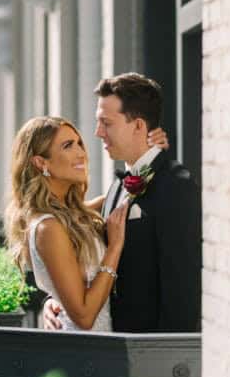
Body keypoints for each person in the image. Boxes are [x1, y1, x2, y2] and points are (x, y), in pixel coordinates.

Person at [44, 72, 201, 333]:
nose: (97, 133)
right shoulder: (117, 187)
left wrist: (167, 363)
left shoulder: (177, 186)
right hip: (114, 348)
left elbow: (183, 291)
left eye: (106, 123)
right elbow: (93, 265)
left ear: (138, 126)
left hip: (150, 355)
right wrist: (58, 301)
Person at [4, 114, 169, 331]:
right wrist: (114, 248)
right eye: (68, 146)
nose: (81, 153)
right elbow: (83, 316)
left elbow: (129, 188)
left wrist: (154, 152)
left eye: (79, 144)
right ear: (41, 162)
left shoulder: (77, 214)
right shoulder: (48, 228)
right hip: (84, 352)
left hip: (106, 345)